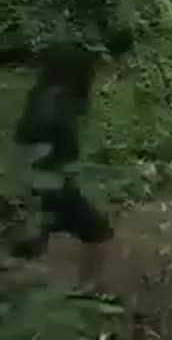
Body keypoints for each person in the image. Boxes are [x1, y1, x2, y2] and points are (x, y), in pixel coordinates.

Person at [10, 44, 114, 289]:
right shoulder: (61, 102)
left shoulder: (39, 94)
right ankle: (87, 288)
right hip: (50, 182)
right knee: (99, 233)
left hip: (32, 178)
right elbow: (67, 150)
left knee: (33, 240)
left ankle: (18, 280)